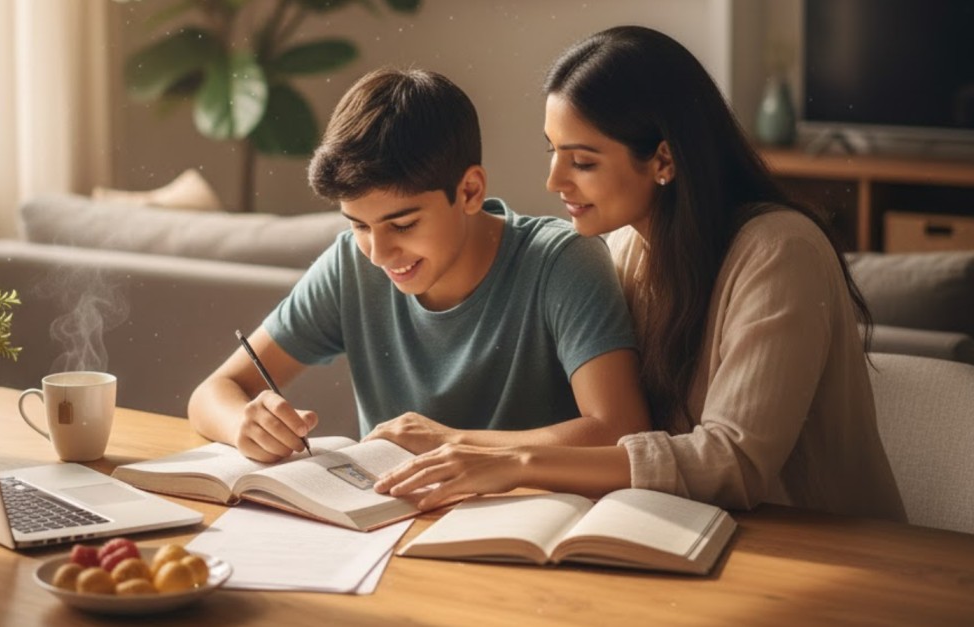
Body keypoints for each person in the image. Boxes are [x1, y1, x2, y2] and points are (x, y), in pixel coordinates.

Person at [374, 26, 907, 523]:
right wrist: (454, 445)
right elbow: (620, 430)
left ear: (663, 160)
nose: (553, 179)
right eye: (552, 151)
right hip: (686, 531)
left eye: (581, 161)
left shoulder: (780, 252)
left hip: (827, 549)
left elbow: (732, 462)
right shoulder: (623, 250)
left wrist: (514, 460)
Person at [189, 68, 650, 462]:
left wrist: (451, 443)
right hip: (390, 532)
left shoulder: (562, 263)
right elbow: (214, 392)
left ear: (469, 191)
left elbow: (619, 431)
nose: (378, 253)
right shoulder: (351, 265)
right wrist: (243, 423)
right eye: (359, 226)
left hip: (528, 530)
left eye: (403, 225)